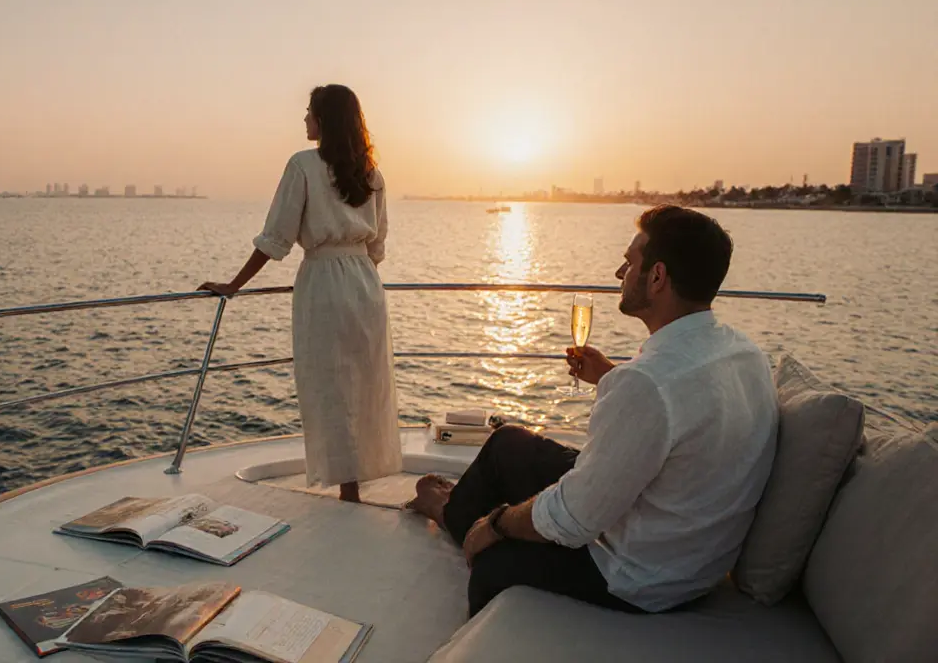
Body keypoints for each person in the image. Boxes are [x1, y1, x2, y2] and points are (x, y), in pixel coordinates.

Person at [408, 205, 779, 616]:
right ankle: (459, 510)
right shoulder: (745, 353)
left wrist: (495, 523)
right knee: (508, 441)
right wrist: (608, 376)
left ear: (656, 277)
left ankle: (449, 514)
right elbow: (681, 413)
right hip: (693, 555)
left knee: (491, 561)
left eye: (628, 262)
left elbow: (575, 518)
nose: (620, 275)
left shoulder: (647, 383)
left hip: (642, 576)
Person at [199, 84, 402, 503]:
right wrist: (356, 273)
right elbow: (377, 245)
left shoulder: (303, 165)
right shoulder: (372, 174)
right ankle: (357, 484)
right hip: (365, 284)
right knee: (365, 383)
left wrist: (233, 285)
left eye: (309, 112)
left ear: (325, 120)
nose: (305, 119)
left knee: (331, 385)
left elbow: (276, 238)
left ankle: (348, 490)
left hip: (324, 283)